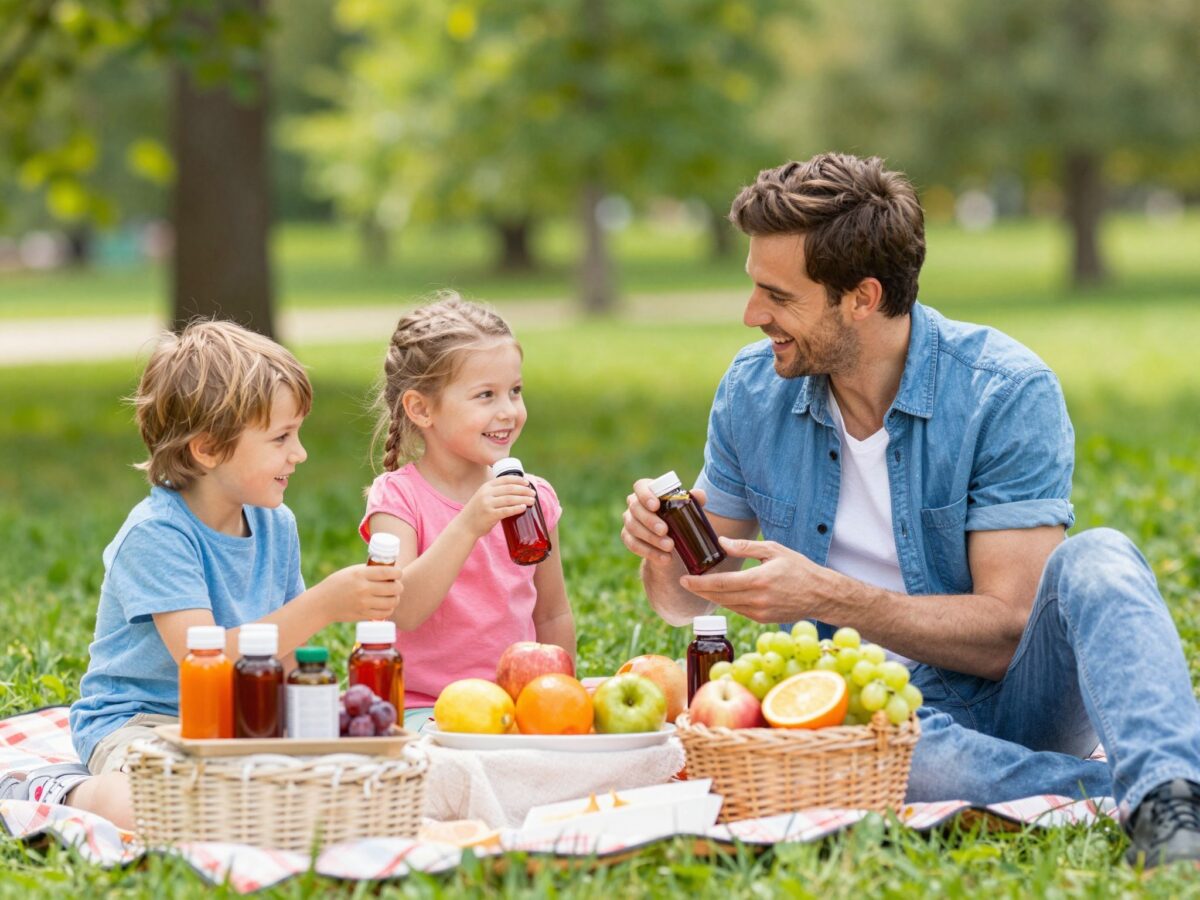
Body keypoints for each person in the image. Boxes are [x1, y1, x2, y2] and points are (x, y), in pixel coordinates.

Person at [621, 153, 1200, 867]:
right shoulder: (753, 391)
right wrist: (661, 551)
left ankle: (1173, 804)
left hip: (1015, 699)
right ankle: (1135, 792)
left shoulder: (1003, 390)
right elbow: (683, 601)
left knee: (1100, 556)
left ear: (861, 298)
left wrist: (833, 597)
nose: (752, 316)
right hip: (865, 716)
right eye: (754, 288)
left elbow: (1007, 636)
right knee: (898, 755)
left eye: (778, 296)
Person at [0, 321, 403, 829]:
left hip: (237, 718)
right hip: (144, 721)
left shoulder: (276, 523)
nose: (299, 454)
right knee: (158, 806)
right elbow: (202, 658)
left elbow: (276, 655)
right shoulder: (156, 535)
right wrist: (324, 604)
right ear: (208, 449)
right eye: (281, 437)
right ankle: (63, 790)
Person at [361, 294, 575, 730]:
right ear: (421, 409)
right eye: (485, 395)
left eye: (515, 391)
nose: (508, 411)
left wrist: (559, 700)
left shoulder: (532, 497)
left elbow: (552, 614)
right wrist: (468, 525)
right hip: (426, 711)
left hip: (514, 707)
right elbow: (403, 610)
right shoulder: (398, 499)